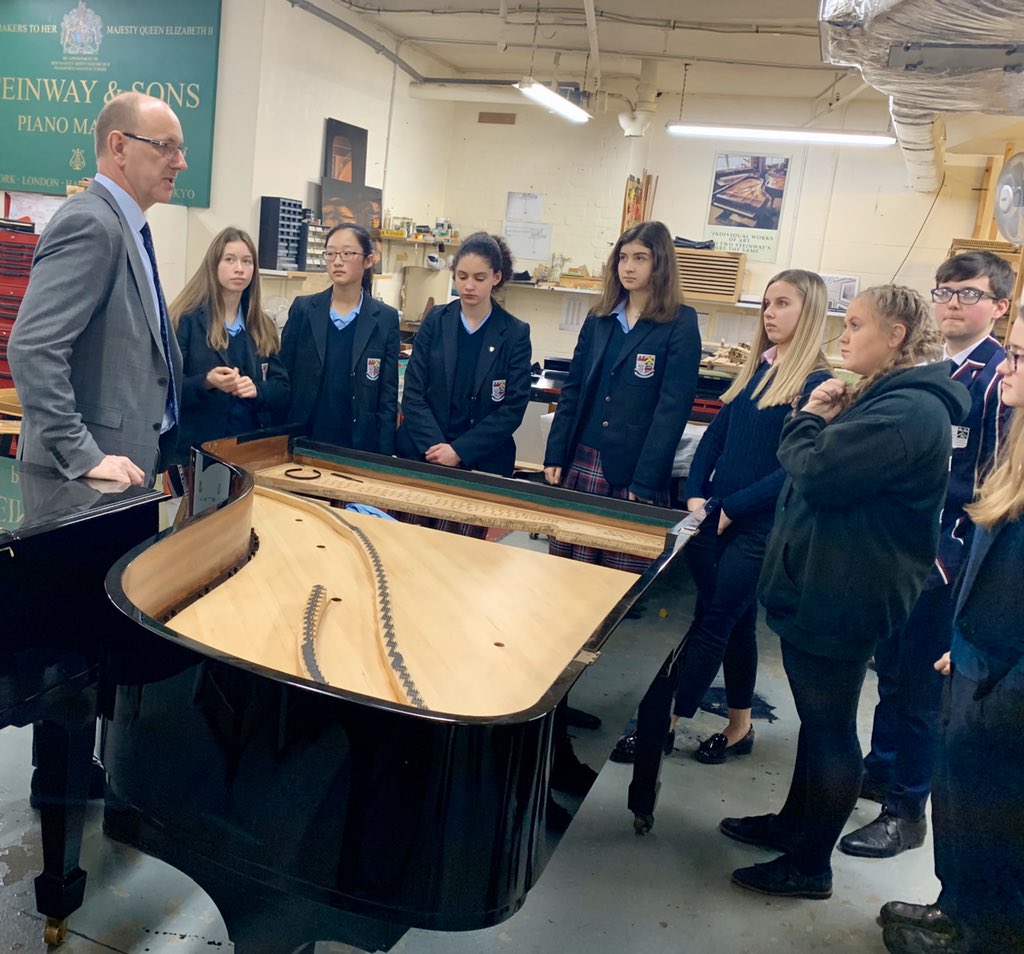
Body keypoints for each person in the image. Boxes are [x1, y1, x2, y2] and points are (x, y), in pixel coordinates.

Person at [722, 285, 970, 900]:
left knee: (831, 729)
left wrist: (808, 417)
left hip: (845, 593)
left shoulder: (908, 411)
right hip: (830, 582)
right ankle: (793, 827)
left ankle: (810, 866)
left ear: (895, 335)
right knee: (816, 722)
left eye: (857, 324)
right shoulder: (886, 397)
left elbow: (817, 470)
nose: (844, 335)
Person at [615, 271, 831, 823]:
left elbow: (795, 468)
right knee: (734, 625)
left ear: (809, 312)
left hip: (759, 528)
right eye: (767, 304)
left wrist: (733, 507)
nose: (770, 313)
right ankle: (740, 726)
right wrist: (695, 492)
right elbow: (715, 437)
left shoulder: (817, 384)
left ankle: (663, 725)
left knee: (712, 621)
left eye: (783, 304)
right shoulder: (762, 368)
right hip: (717, 517)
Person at [843, 251, 1011, 860]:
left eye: (968, 293)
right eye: (943, 292)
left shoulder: (998, 380)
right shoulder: (933, 368)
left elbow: (993, 486)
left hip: (945, 560)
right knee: (890, 670)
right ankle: (882, 767)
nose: (951, 303)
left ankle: (907, 810)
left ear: (999, 306)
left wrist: (949, 563)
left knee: (919, 689)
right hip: (901, 550)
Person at [880, 310, 1024, 954]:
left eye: (1018, 358)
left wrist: (1001, 701)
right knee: (965, 806)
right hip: (977, 663)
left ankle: (983, 936)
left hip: (1005, 691)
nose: (1005, 369)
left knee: (1001, 824)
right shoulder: (1015, 449)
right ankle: (957, 908)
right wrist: (962, 645)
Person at [9, 91, 186, 486]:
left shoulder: (127, 226)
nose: (180, 162)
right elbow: (33, 348)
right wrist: (81, 454)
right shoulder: (92, 224)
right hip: (83, 481)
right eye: (165, 146)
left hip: (122, 470)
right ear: (119, 146)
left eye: (180, 149)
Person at [543, 220, 701, 571]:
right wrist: (555, 454)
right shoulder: (599, 318)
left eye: (640, 258)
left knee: (618, 577)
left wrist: (645, 480)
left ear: (660, 263)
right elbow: (573, 389)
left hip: (634, 471)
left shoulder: (680, 323)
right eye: (623, 257)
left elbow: (672, 411)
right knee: (566, 569)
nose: (628, 267)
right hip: (583, 459)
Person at [396, 232, 532, 537]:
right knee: (408, 544)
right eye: (462, 276)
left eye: (479, 278)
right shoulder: (435, 321)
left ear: (496, 277)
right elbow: (414, 393)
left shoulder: (514, 333)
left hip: (479, 462)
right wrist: (437, 449)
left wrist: (459, 451)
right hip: (423, 454)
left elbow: (512, 409)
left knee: (461, 554)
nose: (469, 286)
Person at [169, 227, 289, 472]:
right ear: (214, 265)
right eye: (230, 260)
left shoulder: (262, 326)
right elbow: (166, 389)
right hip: (196, 453)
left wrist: (257, 390)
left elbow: (282, 389)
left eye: (247, 261)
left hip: (249, 452)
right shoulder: (186, 320)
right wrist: (207, 382)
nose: (239, 269)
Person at [281, 223, 399, 454]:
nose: (337, 261)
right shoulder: (304, 309)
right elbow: (284, 374)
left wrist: (384, 454)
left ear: (368, 260)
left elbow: (388, 395)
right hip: (305, 436)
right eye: (331, 253)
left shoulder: (385, 318)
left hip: (358, 442)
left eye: (347, 253)